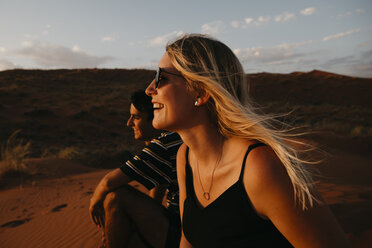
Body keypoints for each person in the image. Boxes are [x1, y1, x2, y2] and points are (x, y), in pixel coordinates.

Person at [145, 34, 351, 247]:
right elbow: (188, 241)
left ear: (201, 91)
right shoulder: (185, 157)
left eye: (162, 77)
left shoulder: (260, 166)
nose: (149, 89)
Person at [89, 90, 183, 248]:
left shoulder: (164, 145)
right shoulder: (176, 137)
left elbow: (108, 181)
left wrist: (94, 203)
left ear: (155, 117)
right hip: (184, 226)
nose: (129, 123)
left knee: (116, 197)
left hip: (183, 233)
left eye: (136, 117)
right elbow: (156, 194)